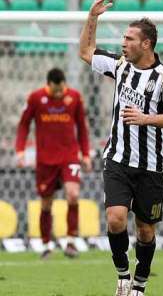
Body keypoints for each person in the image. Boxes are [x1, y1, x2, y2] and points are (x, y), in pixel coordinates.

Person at [79, 0, 163, 296]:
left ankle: (139, 285)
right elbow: (86, 51)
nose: (123, 43)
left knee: (145, 230)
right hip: (118, 160)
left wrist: (145, 118)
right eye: (124, 38)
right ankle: (123, 274)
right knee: (115, 219)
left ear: (146, 44)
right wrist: (92, 17)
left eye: (129, 38)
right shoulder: (121, 65)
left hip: (152, 167)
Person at [15, 68, 91, 259]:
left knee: (73, 195)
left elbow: (82, 127)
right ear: (48, 85)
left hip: (69, 156)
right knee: (46, 203)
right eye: (55, 90)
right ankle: (47, 244)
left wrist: (86, 154)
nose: (59, 93)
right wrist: (20, 150)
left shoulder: (74, 97)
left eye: (61, 89)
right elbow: (24, 124)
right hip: (45, 159)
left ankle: (71, 241)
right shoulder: (35, 98)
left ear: (64, 84)